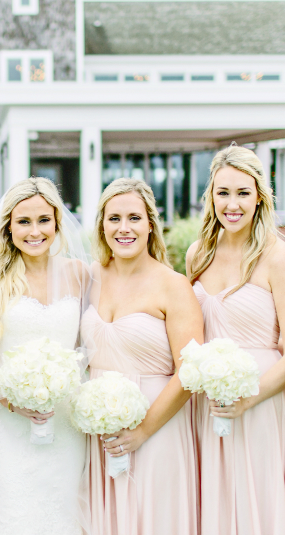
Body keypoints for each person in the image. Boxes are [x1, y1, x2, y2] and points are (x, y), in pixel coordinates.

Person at [185, 145, 285, 535]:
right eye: (223, 193)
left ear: (259, 197)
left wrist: (248, 398)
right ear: (211, 196)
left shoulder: (277, 256)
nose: (232, 204)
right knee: (211, 503)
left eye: (243, 193)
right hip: (206, 404)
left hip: (259, 404)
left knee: (256, 503)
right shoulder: (197, 254)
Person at [0, 177, 91, 535]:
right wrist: (10, 395)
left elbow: (91, 344)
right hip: (7, 421)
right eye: (23, 221)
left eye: (43, 220)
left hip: (65, 419)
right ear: (8, 226)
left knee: (62, 510)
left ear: (57, 222)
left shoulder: (80, 275)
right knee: (12, 512)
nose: (34, 231)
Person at [82, 178, 204, 535]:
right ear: (102, 225)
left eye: (134, 218)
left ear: (150, 223)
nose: (124, 228)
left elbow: (189, 372)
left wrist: (143, 431)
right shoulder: (89, 277)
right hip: (97, 429)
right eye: (114, 218)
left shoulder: (173, 285)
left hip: (156, 426)